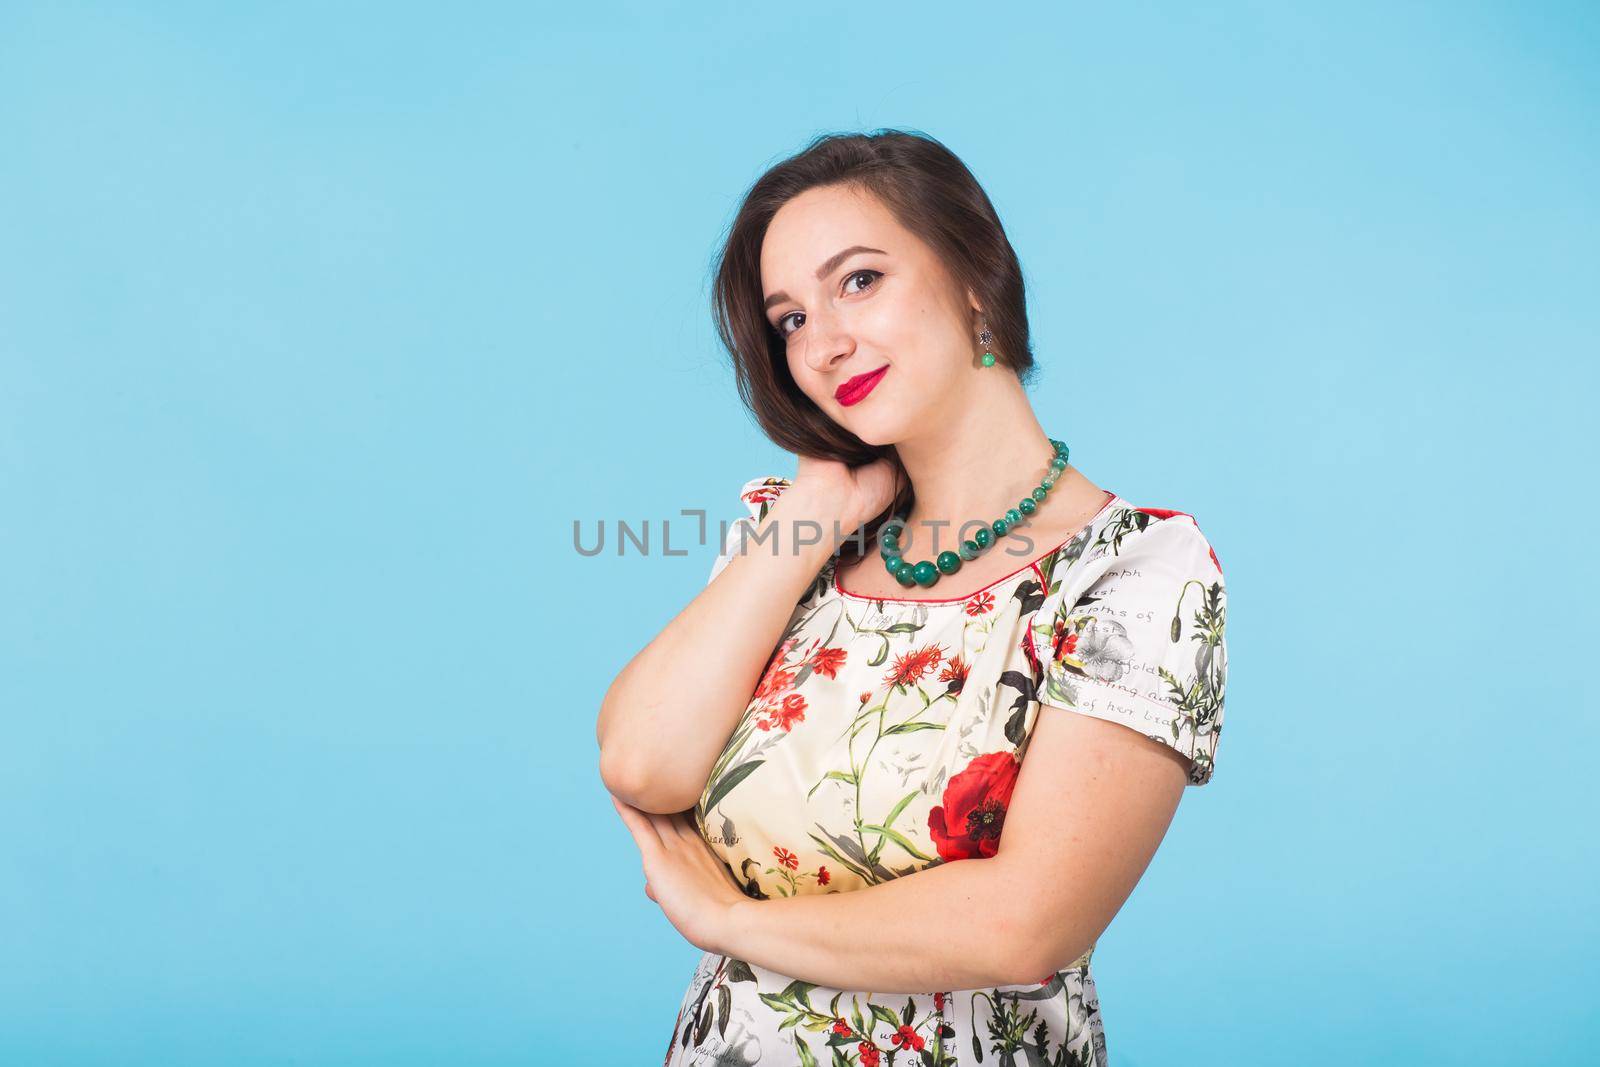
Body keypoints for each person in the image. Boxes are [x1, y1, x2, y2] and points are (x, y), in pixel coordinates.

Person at [597, 129, 1228, 1067]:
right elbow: (645, 764)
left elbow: (1024, 924)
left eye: (858, 281)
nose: (823, 343)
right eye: (790, 321)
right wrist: (820, 504)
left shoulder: (1134, 571)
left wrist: (723, 917)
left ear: (976, 277)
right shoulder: (798, 540)